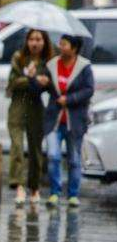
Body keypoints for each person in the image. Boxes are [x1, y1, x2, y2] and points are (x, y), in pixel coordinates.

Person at [31, 35, 95, 207]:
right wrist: (37, 81)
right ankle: (54, 192)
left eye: (64, 44)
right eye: (60, 43)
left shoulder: (84, 67)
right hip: (54, 119)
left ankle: (73, 194)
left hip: (75, 121)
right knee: (53, 156)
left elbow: (89, 89)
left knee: (74, 159)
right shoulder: (52, 65)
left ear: (74, 48)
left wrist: (71, 99)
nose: (60, 47)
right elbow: (40, 88)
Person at [6, 29, 54, 205]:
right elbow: (12, 82)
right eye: (32, 39)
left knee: (35, 149)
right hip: (18, 105)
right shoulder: (19, 57)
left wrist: (45, 82)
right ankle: (18, 185)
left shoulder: (48, 61)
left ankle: (34, 187)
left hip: (36, 106)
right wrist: (30, 77)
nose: (35, 43)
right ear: (27, 41)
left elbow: (51, 85)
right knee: (17, 146)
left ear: (44, 41)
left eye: (39, 39)